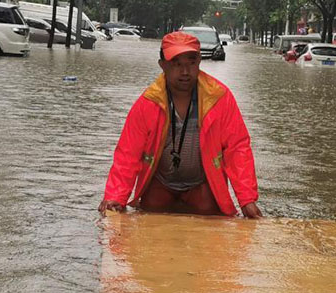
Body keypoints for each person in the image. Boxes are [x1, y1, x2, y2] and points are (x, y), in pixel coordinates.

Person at [98, 31, 262, 218]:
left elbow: (238, 148)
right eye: (176, 64)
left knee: (208, 211)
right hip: (161, 183)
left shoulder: (220, 99)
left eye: (191, 63)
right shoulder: (147, 103)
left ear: (199, 62)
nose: (185, 72)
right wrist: (115, 198)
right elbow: (128, 154)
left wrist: (247, 200)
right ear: (163, 66)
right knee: (150, 208)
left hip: (200, 184)